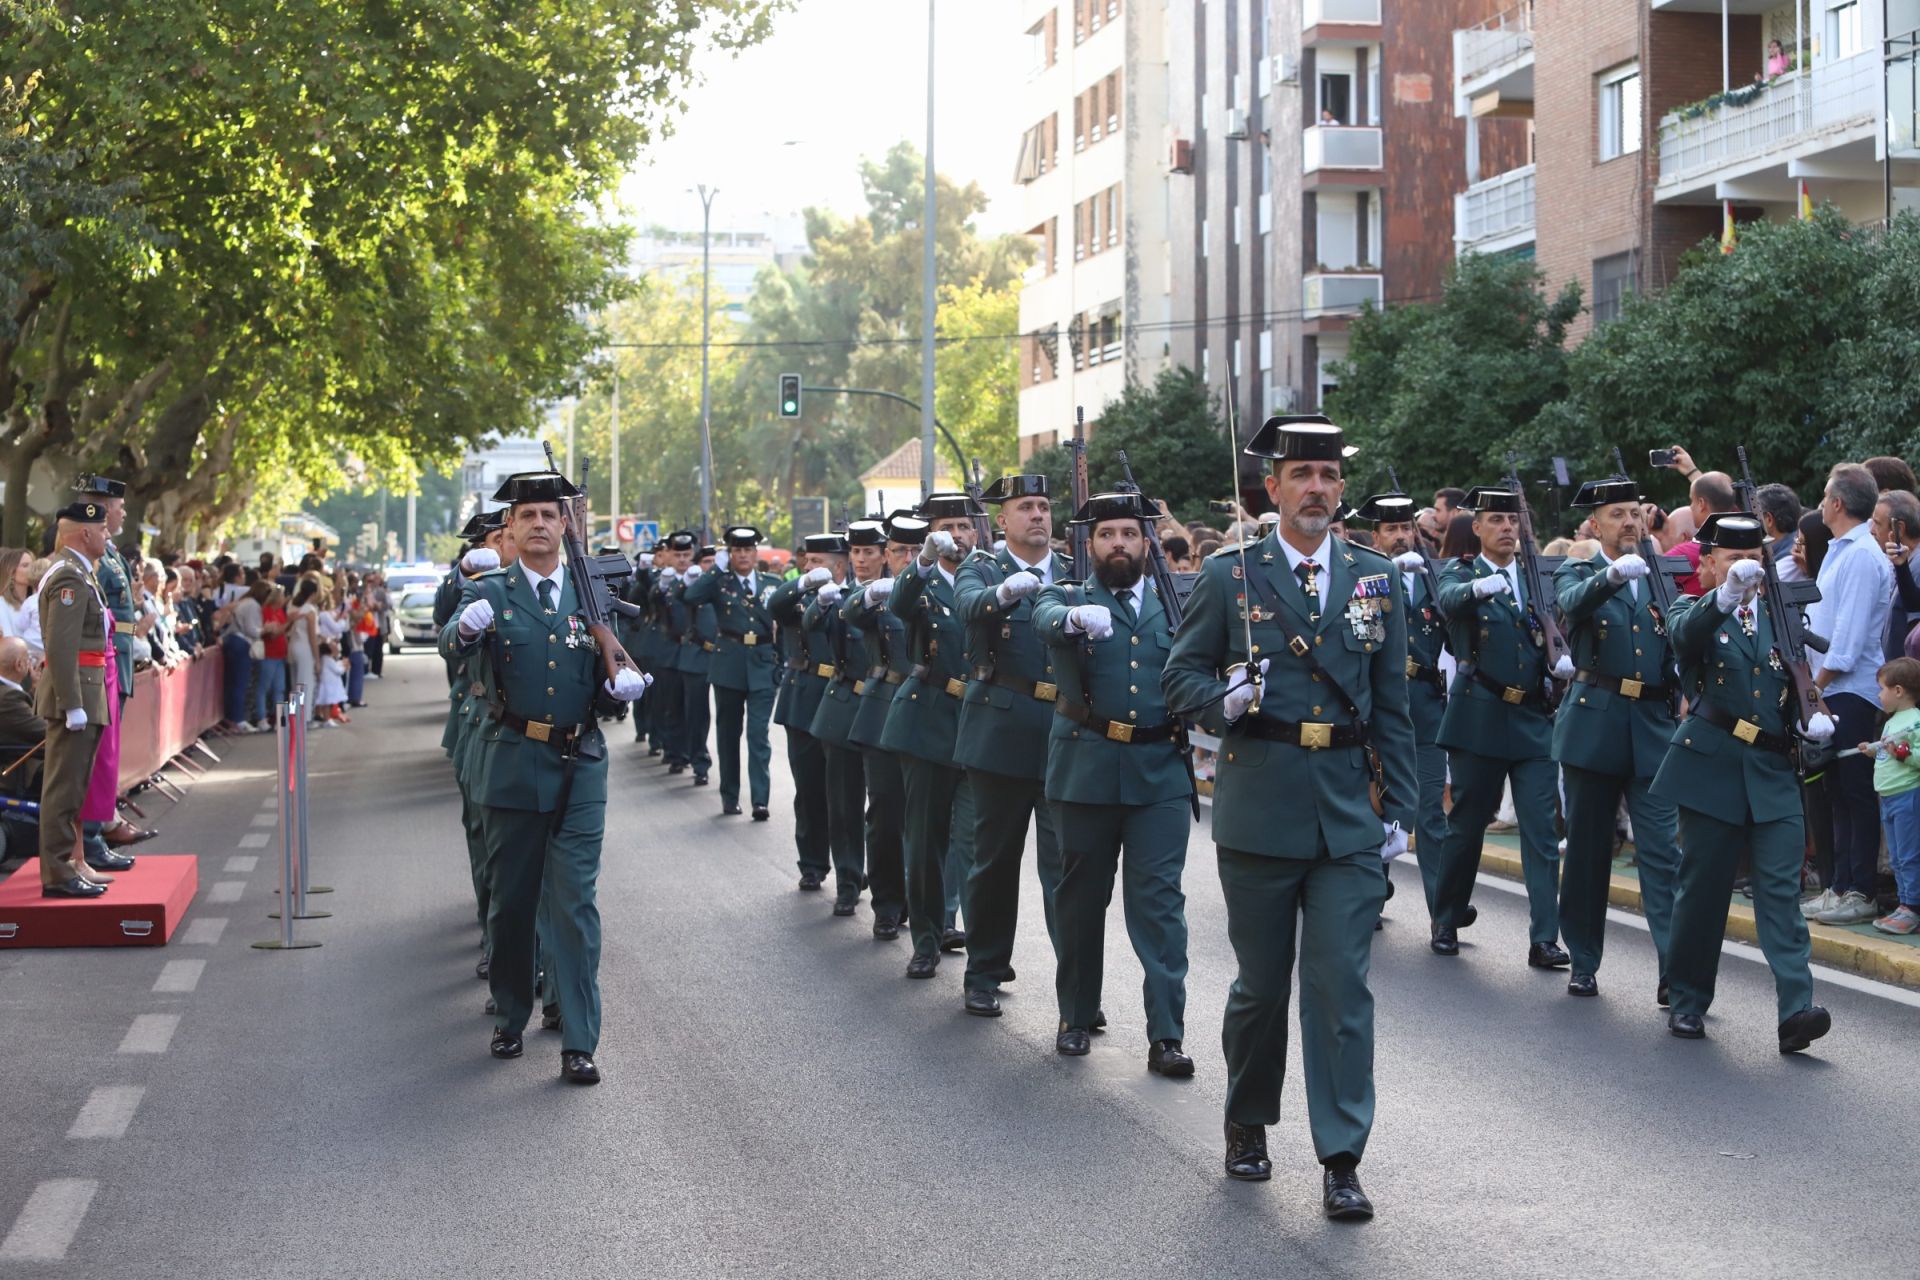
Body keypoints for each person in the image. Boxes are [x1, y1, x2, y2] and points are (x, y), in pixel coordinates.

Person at [1163, 415, 1414, 1219]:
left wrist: (1401, 807)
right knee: (1262, 988)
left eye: (1329, 477)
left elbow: (1395, 706)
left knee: (1342, 988)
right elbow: (1180, 676)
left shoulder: (1377, 577)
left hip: (1347, 811)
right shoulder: (1231, 575)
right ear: (1271, 490)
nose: (1317, 489)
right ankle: (1248, 1119)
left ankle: (1342, 1156)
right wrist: (1220, 703)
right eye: (1301, 476)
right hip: (1261, 806)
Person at [439, 469, 649, 1084]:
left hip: (580, 764)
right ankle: (510, 1013)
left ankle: (580, 1040)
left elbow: (613, 663)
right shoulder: (495, 592)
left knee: (575, 903)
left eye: (548, 516)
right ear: (510, 528)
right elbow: (454, 643)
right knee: (513, 901)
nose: (537, 525)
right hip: (512, 760)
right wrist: (466, 626)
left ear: (564, 526)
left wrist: (624, 683)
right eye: (526, 516)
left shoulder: (591, 593)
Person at [1656, 513, 1834, 1051]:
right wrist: (1725, 598)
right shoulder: (1691, 608)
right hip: (1711, 766)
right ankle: (1687, 998)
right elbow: (1685, 637)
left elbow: (1798, 681)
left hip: (1774, 773)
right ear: (1707, 563)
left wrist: (1815, 715)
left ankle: (1795, 1011)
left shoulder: (1783, 618)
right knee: (1703, 891)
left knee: (1781, 892)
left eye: (1751, 559)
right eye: (1731, 560)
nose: (1743, 568)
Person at [1033, 490, 1193, 1075]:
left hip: (1159, 776)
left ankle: (1167, 1034)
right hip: (1086, 770)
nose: (1118, 544)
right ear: (1089, 544)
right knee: (1080, 900)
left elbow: (1204, 661)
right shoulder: (1069, 593)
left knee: (1160, 905)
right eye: (1107, 535)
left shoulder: (1178, 600)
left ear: (1146, 540)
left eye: (1128, 533)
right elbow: (1043, 617)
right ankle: (1076, 1015)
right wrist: (1073, 619)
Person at [1552, 474, 1682, 1002]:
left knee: (1662, 853)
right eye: (1617, 515)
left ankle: (1675, 969)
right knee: (1587, 851)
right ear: (1596, 524)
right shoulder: (1578, 568)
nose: (1628, 523)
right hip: (1595, 722)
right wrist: (1609, 576)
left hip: (1652, 726)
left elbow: (1678, 640)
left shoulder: (1660, 575)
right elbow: (1570, 606)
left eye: (1634, 513)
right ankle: (1584, 959)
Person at [1427, 484, 1569, 967]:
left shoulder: (1539, 580)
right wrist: (1476, 589)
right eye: (1497, 521)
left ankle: (1545, 937)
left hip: (1531, 718)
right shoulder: (1462, 572)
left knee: (1541, 831)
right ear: (1479, 528)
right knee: (1467, 825)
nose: (1507, 529)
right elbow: (1447, 601)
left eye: (1514, 521)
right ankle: (1446, 917)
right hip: (1479, 714)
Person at [952, 474, 1072, 1019]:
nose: (1038, 516)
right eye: (1026, 508)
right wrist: (1004, 594)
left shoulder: (1073, 572)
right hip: (1000, 732)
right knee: (994, 862)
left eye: (1044, 506)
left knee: (1066, 869)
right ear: (1003, 520)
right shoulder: (983, 567)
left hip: (1065, 736)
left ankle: (1077, 991)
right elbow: (968, 608)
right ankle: (984, 970)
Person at [881, 495, 982, 979]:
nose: (958, 535)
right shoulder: (919, 585)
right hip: (928, 722)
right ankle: (924, 938)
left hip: (982, 724)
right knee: (925, 842)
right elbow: (898, 605)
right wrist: (921, 559)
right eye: (948, 527)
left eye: (965, 525)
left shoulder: (989, 580)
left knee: (974, 841)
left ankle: (952, 923)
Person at [1803, 463, 1894, 925]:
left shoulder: (1860, 555)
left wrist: (1814, 690)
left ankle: (1860, 889)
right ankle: (1838, 885)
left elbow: (1850, 638)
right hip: (1829, 690)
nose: (1820, 503)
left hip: (1848, 691)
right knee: (1836, 791)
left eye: (1824, 496)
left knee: (1854, 791)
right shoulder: (1843, 549)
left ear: (1837, 503)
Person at [1356, 483, 1448, 919]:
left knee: (1430, 812)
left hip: (1426, 707)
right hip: (1380, 709)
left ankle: (1442, 913)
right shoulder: (1365, 580)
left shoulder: (1431, 579)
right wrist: (1383, 585)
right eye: (1391, 529)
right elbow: (1361, 638)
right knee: (1379, 805)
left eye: (1405, 528)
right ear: (1376, 537)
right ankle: (1373, 896)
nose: (1400, 537)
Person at [841, 515, 917, 939]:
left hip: (931, 710)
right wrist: (871, 593)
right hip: (885, 711)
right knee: (886, 815)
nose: (907, 559)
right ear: (887, 556)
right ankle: (887, 903)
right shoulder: (879, 596)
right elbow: (851, 611)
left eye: (913, 551)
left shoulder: (944, 588)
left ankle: (935, 910)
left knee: (929, 820)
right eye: (900, 552)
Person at [34, 503, 114, 898]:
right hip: (76, 692)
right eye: (102, 528)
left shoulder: (79, 573)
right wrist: (71, 702)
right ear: (84, 533)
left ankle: (64, 867)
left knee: (74, 784)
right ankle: (58, 872)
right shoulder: (68, 576)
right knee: (63, 788)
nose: (108, 535)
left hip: (85, 688)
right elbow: (62, 647)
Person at [805, 527, 879, 916]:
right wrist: (820, 602)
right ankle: (849, 881)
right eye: (856, 552)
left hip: (887, 706)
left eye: (870, 551)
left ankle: (889, 888)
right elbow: (812, 624)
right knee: (844, 805)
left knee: (886, 810)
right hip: (846, 705)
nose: (862, 559)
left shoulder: (903, 597)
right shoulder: (843, 598)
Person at [685, 527, 779, 820]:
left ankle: (760, 800)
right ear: (730, 553)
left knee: (758, 735)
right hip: (728, 665)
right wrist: (716, 568)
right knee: (728, 734)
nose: (743, 556)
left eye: (748, 550)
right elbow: (691, 596)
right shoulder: (718, 583)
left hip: (763, 665)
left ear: (755, 553)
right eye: (737, 551)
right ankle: (730, 795)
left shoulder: (771, 583)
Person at [770, 535, 847, 889]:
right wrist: (803, 583)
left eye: (819, 560)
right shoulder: (795, 599)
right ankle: (813, 863)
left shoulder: (857, 595)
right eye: (807, 560)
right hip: (803, 697)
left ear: (839, 565)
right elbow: (774, 604)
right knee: (810, 787)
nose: (810, 565)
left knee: (847, 792)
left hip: (845, 698)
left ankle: (852, 867)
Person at [1859, 658, 1920, 934]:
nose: (1878, 695)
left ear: (1898, 690)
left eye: (1881, 689)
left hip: (1908, 795)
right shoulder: (1892, 722)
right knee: (1895, 858)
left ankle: (1913, 907)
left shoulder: (1915, 721)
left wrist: (1901, 753)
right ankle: (1903, 904)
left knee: (1909, 855)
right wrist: (1875, 750)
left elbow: (1912, 755)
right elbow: (1888, 752)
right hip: (1889, 796)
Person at [1756, 483, 1804, 583]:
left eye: (1754, 517)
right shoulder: (1790, 549)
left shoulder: (1792, 558)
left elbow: (1758, 592)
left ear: (1768, 519)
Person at [0, 548, 33, 642]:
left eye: (33, 565)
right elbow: (9, 640)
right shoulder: (2, 604)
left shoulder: (37, 600)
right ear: (12, 572)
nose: (31, 569)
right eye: (25, 565)